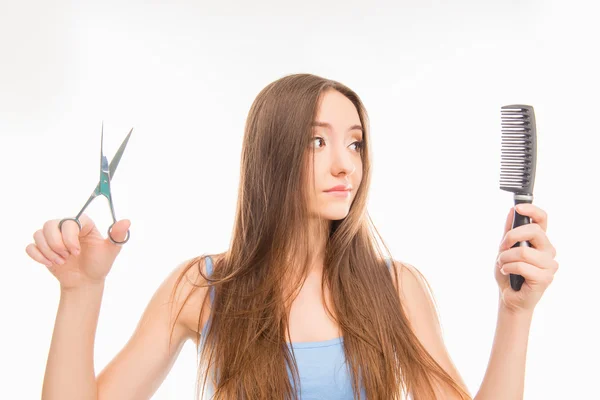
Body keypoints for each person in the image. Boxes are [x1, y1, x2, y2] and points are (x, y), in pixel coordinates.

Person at [26, 73, 558, 400]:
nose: (343, 164)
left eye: (354, 144)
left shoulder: (395, 290)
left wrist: (516, 314)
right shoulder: (201, 287)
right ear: (271, 155)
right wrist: (80, 291)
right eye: (315, 141)